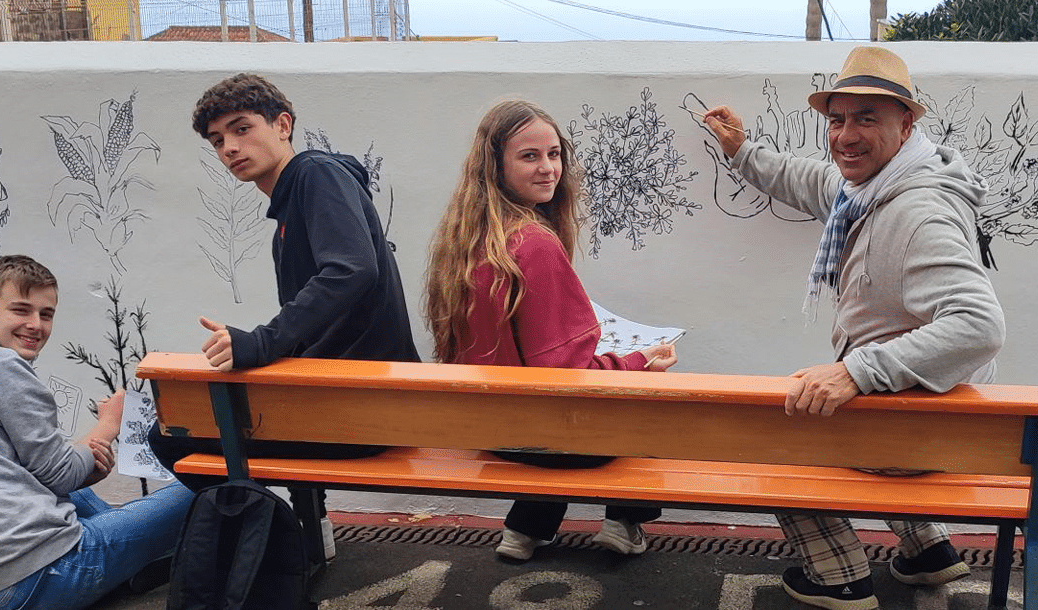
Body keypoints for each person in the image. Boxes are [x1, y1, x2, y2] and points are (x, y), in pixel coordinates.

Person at [701, 46, 1004, 610]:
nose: (845, 135)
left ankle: (838, 575)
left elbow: (979, 325)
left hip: (920, 431)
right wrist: (741, 150)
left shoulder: (916, 212)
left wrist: (856, 371)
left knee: (772, 428)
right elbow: (805, 179)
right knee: (861, 411)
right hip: (940, 417)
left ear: (905, 124)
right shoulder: (867, 190)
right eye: (837, 119)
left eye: (866, 118)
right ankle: (928, 550)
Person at [423, 99, 679, 562]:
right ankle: (623, 524)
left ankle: (525, 530)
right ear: (496, 166)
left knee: (547, 409)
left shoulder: (467, 240)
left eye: (554, 154)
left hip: (487, 427)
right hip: (539, 438)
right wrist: (640, 362)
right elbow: (567, 376)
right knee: (648, 405)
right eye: (530, 156)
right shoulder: (534, 244)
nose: (548, 168)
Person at [152, 72, 423, 475]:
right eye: (217, 141)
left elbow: (352, 270)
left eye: (241, 129)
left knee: (171, 435)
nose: (230, 148)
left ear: (282, 125)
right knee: (194, 420)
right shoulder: (291, 205)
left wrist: (261, 342)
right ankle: (283, 516)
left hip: (365, 404)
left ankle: (266, 519)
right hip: (341, 394)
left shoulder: (316, 174)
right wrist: (250, 348)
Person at [0, 255, 194, 610]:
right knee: (205, 485)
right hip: (40, 579)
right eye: (20, 310)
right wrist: (108, 425)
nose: (35, 325)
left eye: (46, 314)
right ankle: (137, 556)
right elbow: (60, 474)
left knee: (80, 492)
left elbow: (45, 469)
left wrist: (81, 460)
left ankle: (132, 559)